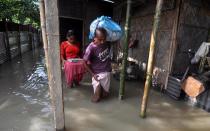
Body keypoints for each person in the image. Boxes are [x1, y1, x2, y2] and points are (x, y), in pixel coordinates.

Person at [83, 28, 111, 102]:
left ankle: (103, 89)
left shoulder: (106, 43)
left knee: (105, 96)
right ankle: (98, 88)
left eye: (104, 39)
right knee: (96, 98)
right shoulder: (91, 47)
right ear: (94, 37)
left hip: (107, 72)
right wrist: (93, 75)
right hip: (97, 74)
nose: (102, 42)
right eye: (100, 39)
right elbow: (84, 62)